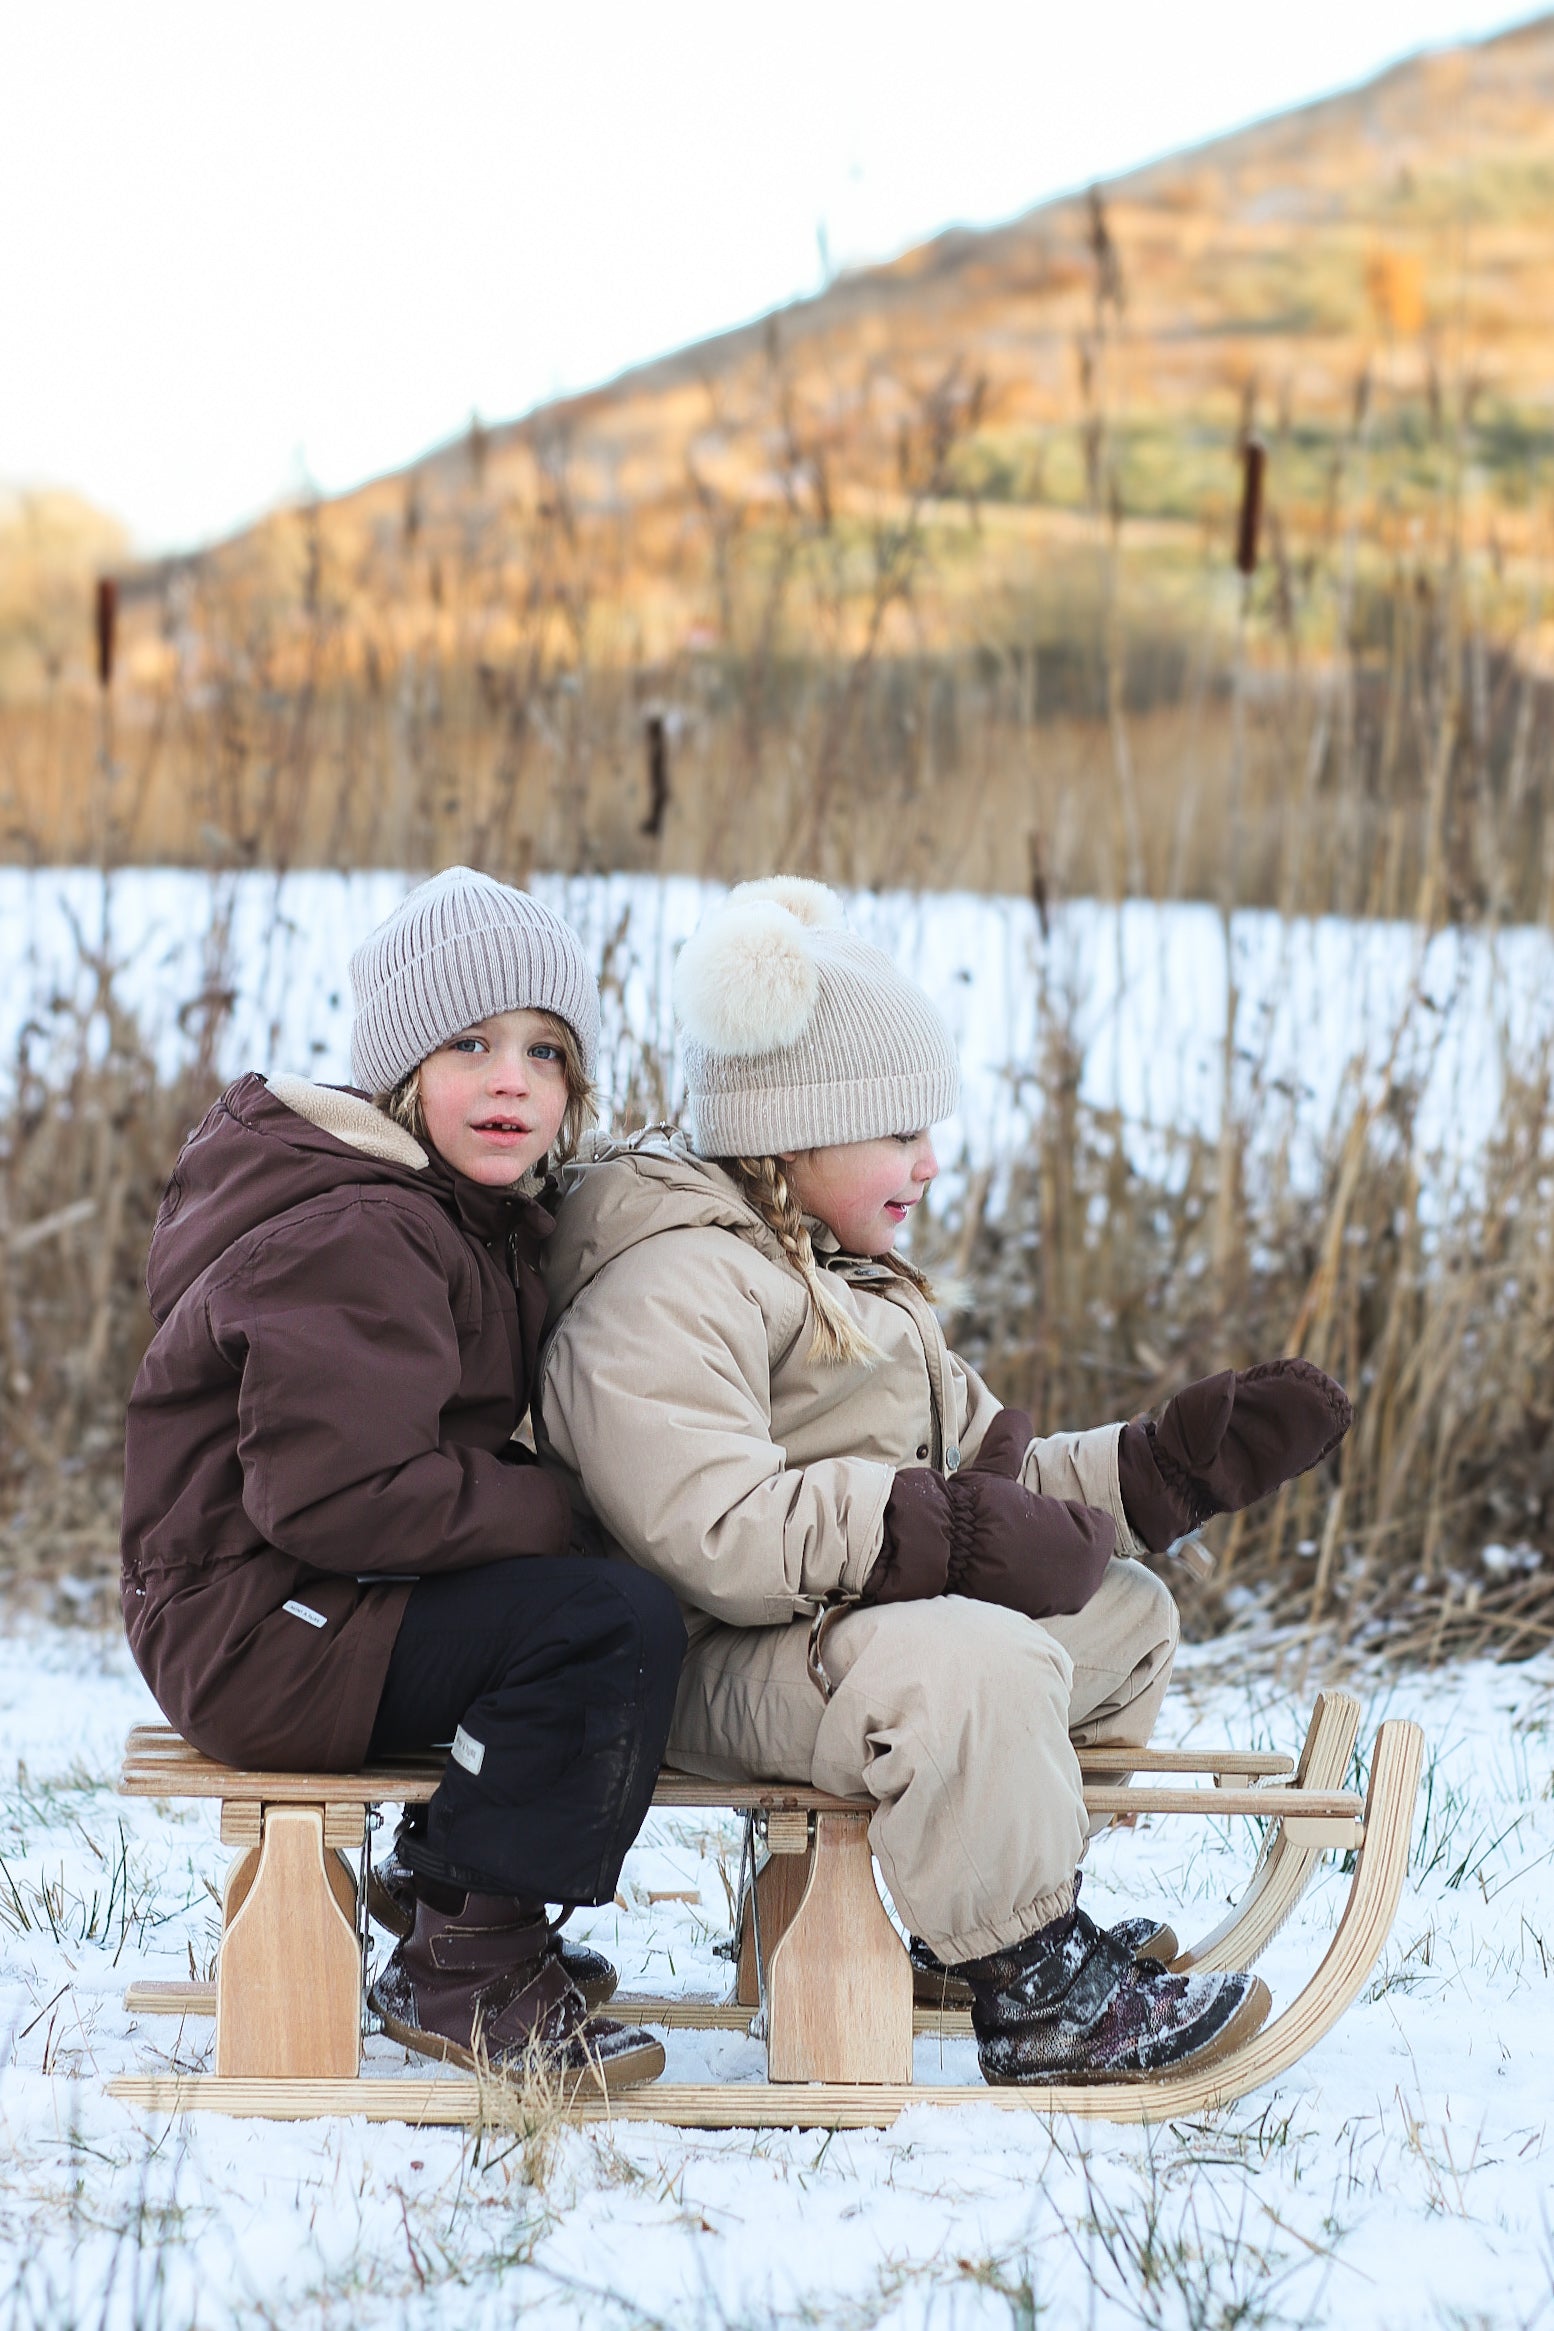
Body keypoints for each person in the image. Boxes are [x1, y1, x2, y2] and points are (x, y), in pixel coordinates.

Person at [536, 878, 1351, 2085]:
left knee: (1120, 1616)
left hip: (833, 1625)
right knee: (975, 1664)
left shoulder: (845, 1272)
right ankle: (1035, 1986)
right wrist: (936, 1534)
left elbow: (983, 1479)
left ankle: (984, 1915)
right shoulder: (672, 1283)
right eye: (901, 1130)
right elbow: (708, 1527)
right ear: (793, 1131)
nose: (930, 1160)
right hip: (706, 1660)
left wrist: (1153, 1470)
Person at [120, 868, 685, 2091]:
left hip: (291, 1601)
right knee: (608, 1622)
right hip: (255, 1625)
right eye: (468, 1044)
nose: (509, 1083)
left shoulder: (446, 1214)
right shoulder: (362, 1231)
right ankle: (468, 1961)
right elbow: (338, 1499)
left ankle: (450, 1894)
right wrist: (559, 1506)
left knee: (594, 1598)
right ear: (398, 1073)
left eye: (545, 1054)